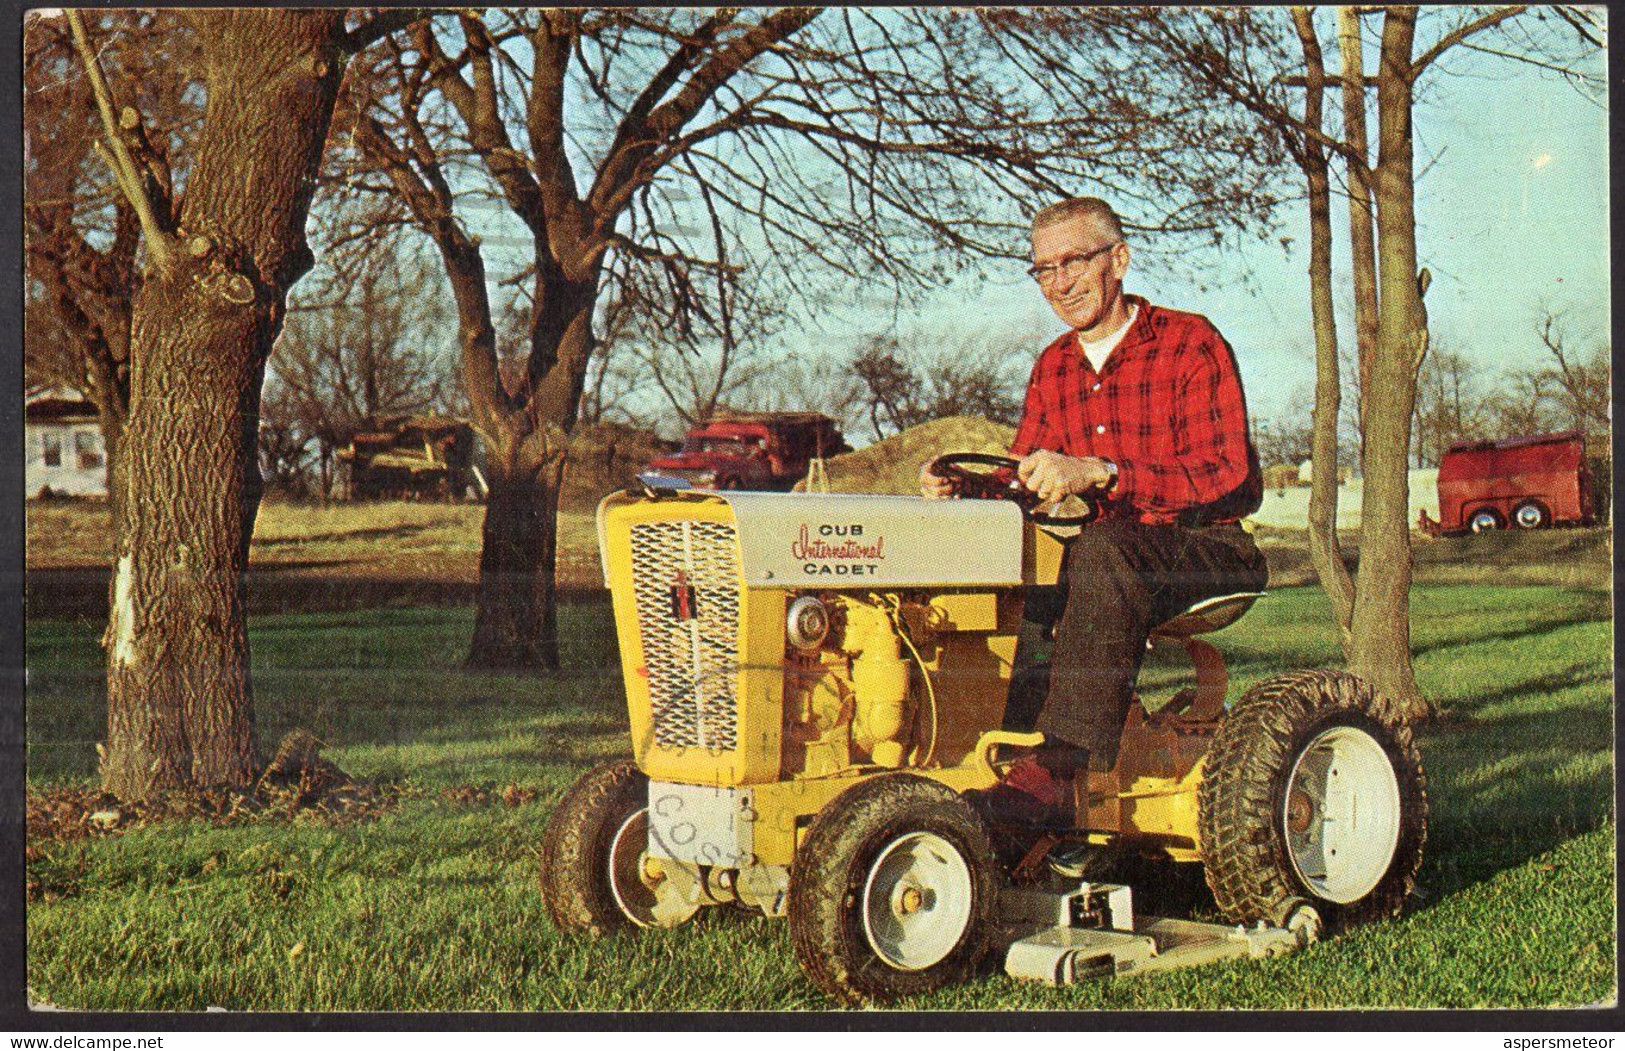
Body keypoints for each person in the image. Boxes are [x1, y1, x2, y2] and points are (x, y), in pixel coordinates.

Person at [919, 196, 1267, 828]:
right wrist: (964, 489)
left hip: (1206, 549)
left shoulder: (1191, 342)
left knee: (1102, 551)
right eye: (1044, 270)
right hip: (1105, 559)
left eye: (1073, 261)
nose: (1059, 283)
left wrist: (1105, 473)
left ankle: (1056, 776)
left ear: (1119, 260)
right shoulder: (1053, 366)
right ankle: (977, 761)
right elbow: (1025, 476)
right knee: (1020, 568)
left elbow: (1227, 473)